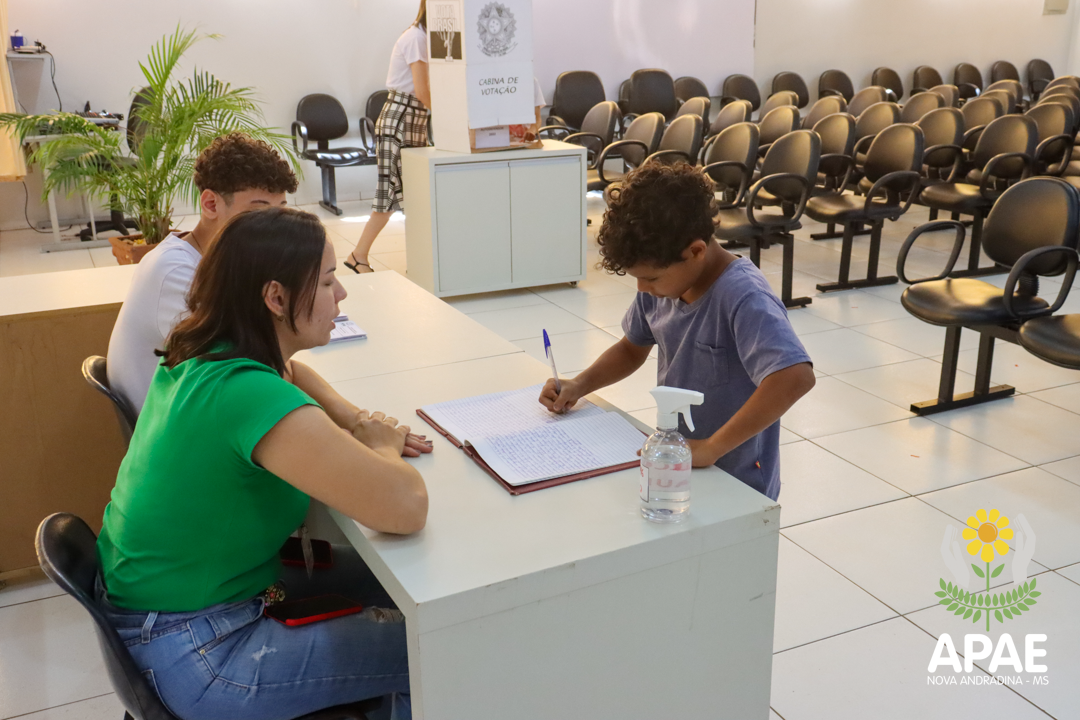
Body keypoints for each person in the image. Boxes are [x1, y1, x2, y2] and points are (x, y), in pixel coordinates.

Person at [97, 207, 430, 720]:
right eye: (327, 281)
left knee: (392, 584)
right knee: (431, 649)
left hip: (167, 612)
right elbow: (405, 507)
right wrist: (381, 445)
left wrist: (353, 418)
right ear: (275, 298)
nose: (341, 293)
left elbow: (291, 372)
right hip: (201, 652)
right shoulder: (249, 395)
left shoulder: (202, 349)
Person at [538, 163, 815, 501]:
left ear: (696, 251)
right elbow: (631, 349)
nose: (642, 288)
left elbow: (795, 377)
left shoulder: (743, 296)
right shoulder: (664, 288)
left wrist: (711, 447)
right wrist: (580, 385)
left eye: (651, 278)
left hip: (736, 474)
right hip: (681, 459)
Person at [107, 132, 297, 413]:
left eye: (281, 211)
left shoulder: (230, 259)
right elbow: (254, 372)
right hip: (180, 422)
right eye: (259, 212)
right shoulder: (176, 272)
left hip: (202, 403)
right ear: (211, 204)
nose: (275, 227)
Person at [345, 1, 430, 274]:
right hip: (401, 120)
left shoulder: (424, 38)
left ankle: (361, 255)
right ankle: (360, 255)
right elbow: (423, 92)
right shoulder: (416, 38)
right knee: (396, 193)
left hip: (411, 119)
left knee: (407, 194)